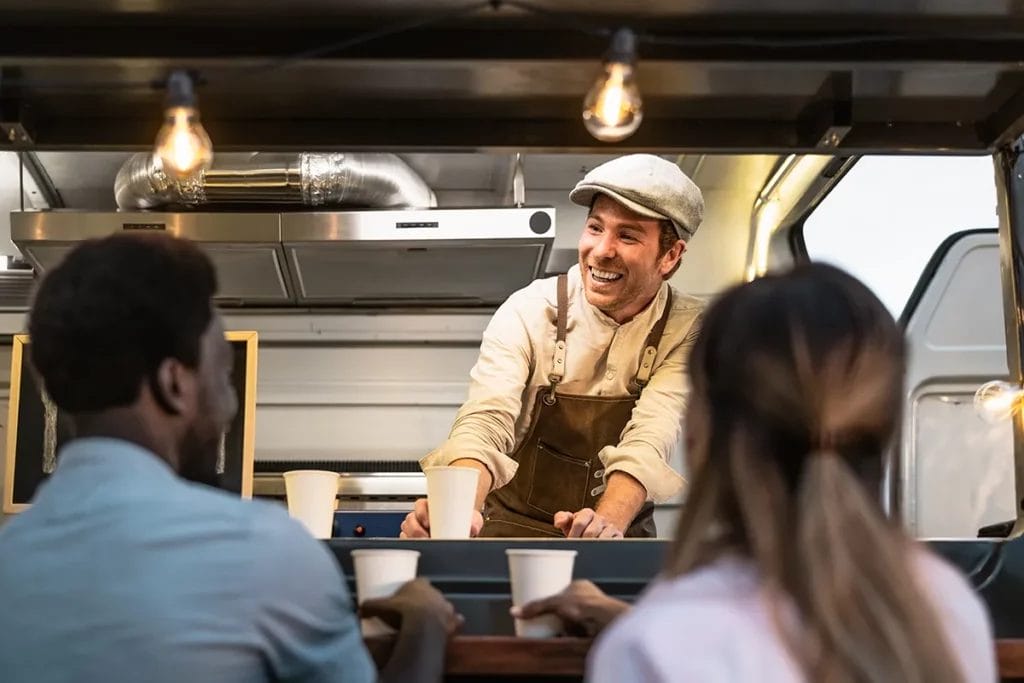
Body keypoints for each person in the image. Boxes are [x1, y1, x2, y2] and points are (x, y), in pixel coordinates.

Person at [0, 232, 459, 683]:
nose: (229, 408)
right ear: (174, 383)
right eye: (222, 375)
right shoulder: (268, 552)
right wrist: (425, 629)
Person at [516, 263, 996, 682]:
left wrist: (639, 627)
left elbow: (717, 644)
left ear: (699, 434)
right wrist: (626, 617)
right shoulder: (950, 606)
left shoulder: (652, 647)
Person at [404, 154, 706, 538]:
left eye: (627, 236)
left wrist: (607, 524)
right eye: (595, 228)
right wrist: (458, 511)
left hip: (615, 534)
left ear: (670, 256)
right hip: (509, 529)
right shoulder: (529, 309)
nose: (601, 250)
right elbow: (486, 420)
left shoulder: (688, 328)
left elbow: (650, 436)